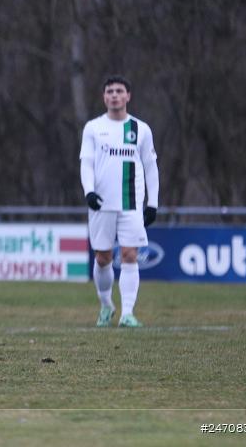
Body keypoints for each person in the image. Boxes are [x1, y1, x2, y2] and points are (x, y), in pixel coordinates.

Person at [79, 75, 159, 328]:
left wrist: (153, 202)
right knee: (102, 258)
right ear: (104, 97)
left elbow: (150, 166)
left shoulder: (140, 129)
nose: (114, 95)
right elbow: (87, 163)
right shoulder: (93, 128)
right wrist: (88, 192)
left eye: (119, 91)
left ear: (128, 96)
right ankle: (106, 305)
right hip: (102, 203)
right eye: (110, 91)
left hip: (131, 203)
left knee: (129, 254)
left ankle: (127, 313)